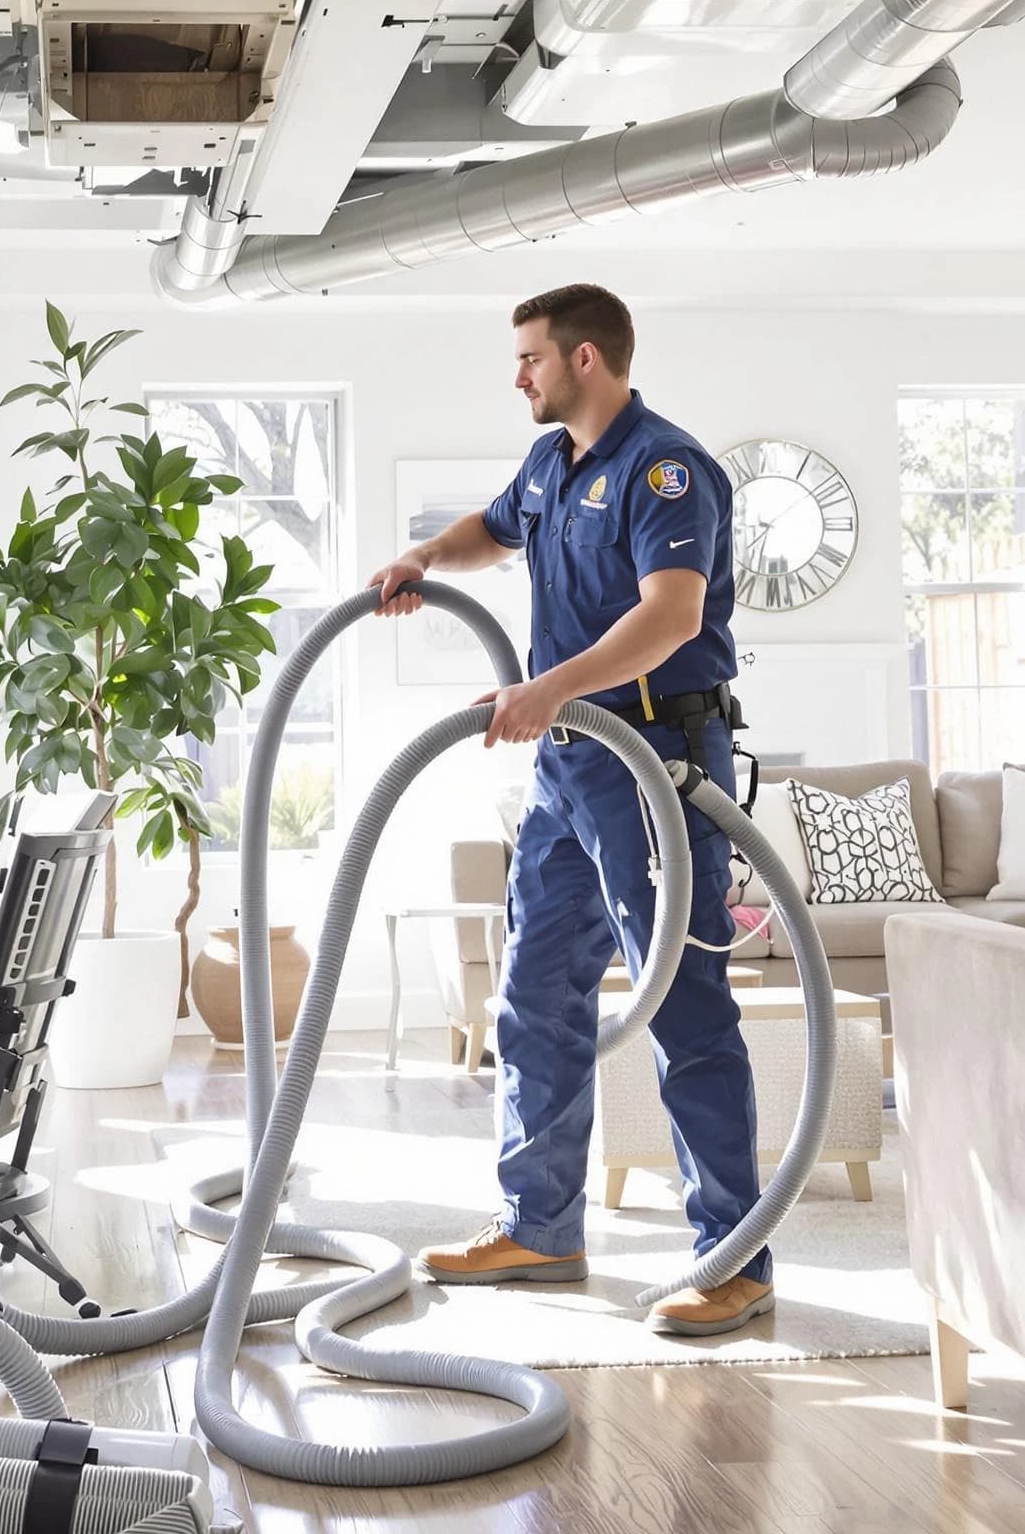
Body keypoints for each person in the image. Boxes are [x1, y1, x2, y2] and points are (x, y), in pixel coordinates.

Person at [370, 282, 771, 1336]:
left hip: (656, 759)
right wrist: (421, 558)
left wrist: (548, 689)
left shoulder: (666, 468)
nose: (518, 376)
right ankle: (540, 1223)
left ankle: (733, 1259)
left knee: (681, 1005)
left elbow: (672, 617)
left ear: (584, 359)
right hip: (568, 765)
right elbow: (491, 531)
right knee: (535, 988)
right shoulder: (551, 465)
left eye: (529, 359)